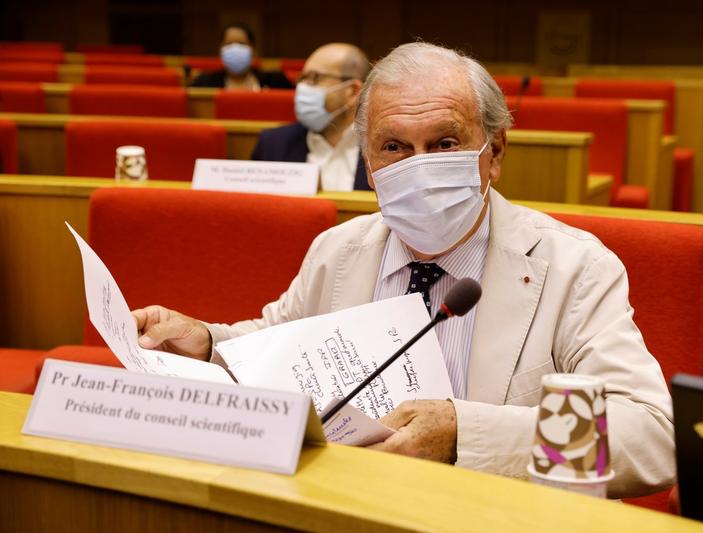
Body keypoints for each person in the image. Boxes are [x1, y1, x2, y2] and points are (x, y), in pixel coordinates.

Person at [134, 43, 675, 498]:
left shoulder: (574, 267)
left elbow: (650, 436)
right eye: (393, 147)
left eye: (444, 143)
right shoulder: (337, 251)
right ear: (367, 165)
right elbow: (275, 344)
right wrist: (207, 342)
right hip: (345, 503)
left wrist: (467, 433)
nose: (418, 165)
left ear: (495, 152)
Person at [250, 43, 371, 192]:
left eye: (314, 78)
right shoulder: (272, 145)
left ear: (353, 91)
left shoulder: (385, 150)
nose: (302, 88)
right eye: (302, 79)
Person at [190, 23, 293, 90]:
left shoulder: (275, 81)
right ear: (220, 50)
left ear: (253, 49)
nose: (235, 48)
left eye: (241, 43)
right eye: (229, 44)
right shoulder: (204, 83)